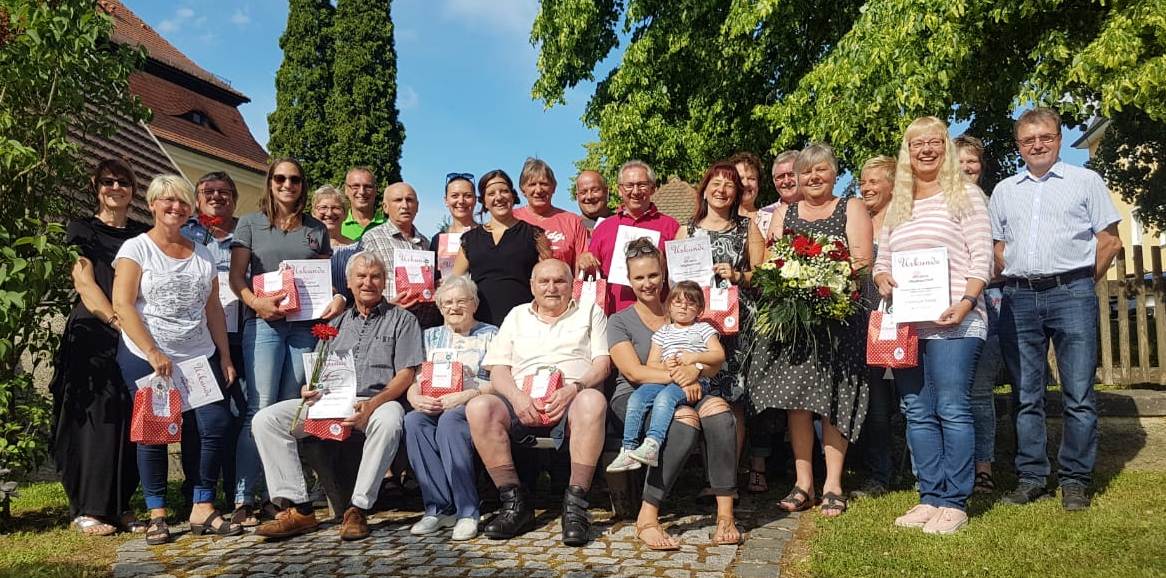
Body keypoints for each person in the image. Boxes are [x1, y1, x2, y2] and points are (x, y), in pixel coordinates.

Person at [990, 107, 1122, 511]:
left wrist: (1081, 283)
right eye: (1028, 140)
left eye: (1045, 137)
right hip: (1019, 297)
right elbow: (997, 246)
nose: (1037, 145)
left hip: (1072, 293)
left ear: (1059, 138)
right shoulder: (1004, 190)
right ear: (1019, 146)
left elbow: (1110, 241)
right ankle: (1031, 476)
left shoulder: (1085, 181)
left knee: (1078, 392)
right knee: (1026, 393)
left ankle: (1075, 480)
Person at [873, 117, 993, 534]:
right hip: (909, 326)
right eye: (917, 143)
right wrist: (882, 278)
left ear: (945, 147)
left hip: (955, 322)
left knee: (952, 407)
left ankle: (955, 502)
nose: (926, 149)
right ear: (907, 152)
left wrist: (966, 303)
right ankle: (930, 496)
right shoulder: (898, 206)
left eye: (934, 142)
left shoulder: (967, 197)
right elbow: (882, 261)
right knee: (917, 411)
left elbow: (982, 258)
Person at [252, 251, 423, 540]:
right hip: (331, 402)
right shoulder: (336, 324)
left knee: (391, 418)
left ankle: (358, 509)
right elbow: (318, 372)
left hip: (377, 402)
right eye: (361, 276)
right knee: (266, 420)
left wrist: (371, 405)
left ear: (384, 282)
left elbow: (405, 375)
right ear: (349, 282)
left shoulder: (403, 320)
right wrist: (309, 389)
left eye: (375, 276)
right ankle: (300, 508)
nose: (368, 282)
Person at [112, 175, 241, 545]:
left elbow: (213, 307)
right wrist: (153, 352)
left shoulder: (201, 252)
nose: (176, 207)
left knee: (212, 423)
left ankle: (202, 504)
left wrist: (225, 355)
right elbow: (123, 304)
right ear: (152, 204)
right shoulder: (136, 249)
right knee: (154, 431)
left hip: (197, 354)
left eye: (183, 202)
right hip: (147, 355)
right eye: (167, 201)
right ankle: (157, 512)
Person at [753, 143, 873, 517]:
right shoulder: (786, 211)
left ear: (834, 173)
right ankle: (803, 482)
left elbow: (862, 260)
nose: (813, 177)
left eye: (821, 170)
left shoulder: (850, 207)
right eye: (807, 172)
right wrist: (796, 284)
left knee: (832, 400)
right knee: (798, 401)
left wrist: (827, 281)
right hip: (795, 324)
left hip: (838, 320)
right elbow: (772, 261)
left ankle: (833, 484)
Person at [229, 157, 344, 525]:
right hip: (264, 324)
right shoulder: (250, 223)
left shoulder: (315, 229)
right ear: (270, 181)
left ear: (302, 185)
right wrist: (256, 304)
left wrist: (336, 297)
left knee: (291, 410)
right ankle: (245, 497)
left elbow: (324, 277)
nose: (287, 185)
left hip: (303, 326)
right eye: (280, 178)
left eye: (294, 179)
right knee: (258, 407)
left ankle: (284, 497)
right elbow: (236, 278)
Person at [606, 239, 739, 549]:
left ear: (663, 273)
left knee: (718, 410)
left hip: (687, 386)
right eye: (639, 278)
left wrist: (696, 372)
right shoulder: (619, 320)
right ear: (629, 280)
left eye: (653, 275)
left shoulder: (682, 311)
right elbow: (635, 372)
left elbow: (711, 362)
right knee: (684, 419)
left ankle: (725, 516)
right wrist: (681, 376)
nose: (647, 283)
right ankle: (647, 517)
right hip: (638, 395)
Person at [466, 259, 610, 546]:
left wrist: (574, 387)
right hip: (522, 400)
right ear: (532, 286)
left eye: (559, 281)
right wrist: (518, 398)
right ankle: (514, 504)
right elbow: (497, 369)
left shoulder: (590, 311)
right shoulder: (517, 315)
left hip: (571, 398)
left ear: (572, 285)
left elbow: (602, 363)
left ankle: (576, 508)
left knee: (593, 400)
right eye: (544, 281)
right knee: (479, 407)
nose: (552, 287)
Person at [50, 158, 149, 536]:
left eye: (123, 182)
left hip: (133, 333)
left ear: (133, 190)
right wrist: (115, 320)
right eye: (108, 181)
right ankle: (88, 508)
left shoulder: (141, 235)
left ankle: (120, 505)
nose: (115, 188)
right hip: (93, 331)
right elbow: (85, 283)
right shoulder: (82, 229)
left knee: (130, 418)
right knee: (95, 419)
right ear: (96, 187)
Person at [672, 162, 765, 488]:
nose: (722, 189)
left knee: (734, 398)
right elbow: (675, 284)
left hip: (736, 327)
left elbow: (765, 274)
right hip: (697, 328)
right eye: (716, 183)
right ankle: (706, 475)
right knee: (702, 394)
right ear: (705, 188)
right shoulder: (687, 231)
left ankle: (726, 479)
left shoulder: (747, 227)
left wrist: (739, 275)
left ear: (737, 192)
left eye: (729, 184)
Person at [403, 275, 498, 541]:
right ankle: (438, 508)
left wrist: (467, 394)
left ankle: (467, 512)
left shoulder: (491, 334)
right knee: (413, 422)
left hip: (472, 405)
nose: (454, 308)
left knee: (450, 422)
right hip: (433, 403)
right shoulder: (429, 336)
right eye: (447, 303)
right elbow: (415, 379)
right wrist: (414, 397)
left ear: (474, 304)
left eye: (461, 301)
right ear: (440, 308)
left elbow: (499, 382)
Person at [179, 171, 247, 510]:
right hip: (195, 339)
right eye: (208, 191)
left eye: (224, 191)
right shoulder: (184, 233)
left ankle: (240, 492)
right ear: (197, 199)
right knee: (198, 417)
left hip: (241, 336)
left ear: (235, 198)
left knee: (240, 415)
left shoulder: (247, 232)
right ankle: (196, 492)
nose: (217, 196)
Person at [607, 281, 724, 472]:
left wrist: (695, 358)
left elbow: (718, 355)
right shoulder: (663, 333)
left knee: (664, 399)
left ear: (700, 309)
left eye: (690, 303)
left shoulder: (704, 329)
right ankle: (628, 449)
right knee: (637, 397)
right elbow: (651, 364)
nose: (683, 307)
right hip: (666, 378)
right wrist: (665, 366)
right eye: (678, 302)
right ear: (669, 305)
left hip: (693, 381)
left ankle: (653, 443)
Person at [954, 135, 1003, 494]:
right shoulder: (938, 204)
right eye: (958, 162)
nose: (966, 168)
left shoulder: (992, 203)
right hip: (946, 308)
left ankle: (983, 467)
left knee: (979, 392)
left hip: (991, 304)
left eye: (971, 161)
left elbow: (1001, 257)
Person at [852, 155, 898, 498]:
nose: (866, 187)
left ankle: (908, 467)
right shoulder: (857, 220)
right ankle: (878, 471)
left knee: (909, 400)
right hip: (863, 320)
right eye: (862, 182)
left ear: (893, 184)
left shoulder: (903, 221)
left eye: (873, 181)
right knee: (874, 401)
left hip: (901, 320)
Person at [580, 160, 681, 314]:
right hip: (614, 316)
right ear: (620, 190)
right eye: (629, 185)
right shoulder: (604, 228)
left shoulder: (671, 226)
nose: (635, 191)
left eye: (642, 185)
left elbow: (681, 276)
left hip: (660, 317)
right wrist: (585, 262)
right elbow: (592, 275)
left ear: (653, 188)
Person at [452, 169, 550, 326]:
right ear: (483, 200)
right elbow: (455, 284)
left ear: (512, 195)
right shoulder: (469, 240)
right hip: (479, 327)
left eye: (504, 191)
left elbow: (549, 279)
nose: (499, 197)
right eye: (491, 193)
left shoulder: (535, 235)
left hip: (524, 325)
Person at [359, 182, 441, 329]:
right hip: (387, 323)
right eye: (398, 200)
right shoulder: (371, 239)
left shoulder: (425, 243)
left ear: (417, 206)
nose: (405, 205)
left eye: (409, 200)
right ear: (385, 207)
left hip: (424, 325)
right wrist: (387, 307)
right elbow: (360, 285)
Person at [513, 158, 591, 270]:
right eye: (532, 184)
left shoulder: (573, 222)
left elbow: (582, 269)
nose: (539, 190)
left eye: (544, 184)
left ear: (554, 187)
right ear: (522, 189)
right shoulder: (512, 219)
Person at [431, 172, 479, 280]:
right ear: (446, 201)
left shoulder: (486, 235)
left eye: (467, 196)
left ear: (475, 200)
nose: (461, 201)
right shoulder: (437, 240)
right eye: (455, 196)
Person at [755, 150, 801, 236]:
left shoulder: (817, 209)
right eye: (780, 177)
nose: (786, 181)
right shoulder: (762, 216)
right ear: (774, 181)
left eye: (791, 174)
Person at [340, 167, 385, 241]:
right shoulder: (337, 226)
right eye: (355, 186)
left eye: (368, 187)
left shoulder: (389, 226)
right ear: (346, 190)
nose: (362, 192)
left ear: (375, 190)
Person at [728, 152, 764, 221]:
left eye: (751, 178)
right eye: (740, 178)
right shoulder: (720, 218)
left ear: (758, 184)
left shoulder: (771, 219)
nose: (745, 184)